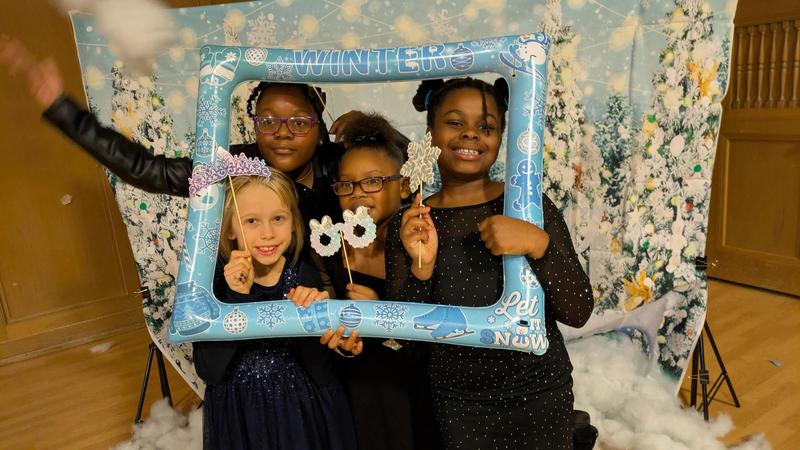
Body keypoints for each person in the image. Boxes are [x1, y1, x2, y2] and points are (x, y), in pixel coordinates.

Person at [386, 77, 594, 450]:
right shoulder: (412, 223)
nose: (471, 135)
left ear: (501, 137)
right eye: (455, 122)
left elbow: (578, 310)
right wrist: (422, 268)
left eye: (486, 126)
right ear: (430, 132)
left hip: (539, 393)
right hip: (458, 403)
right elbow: (403, 338)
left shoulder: (530, 207)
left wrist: (538, 244)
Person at [0, 37, 343, 225]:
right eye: (268, 121)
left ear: (318, 124)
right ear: (255, 125)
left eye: (298, 123)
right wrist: (64, 109)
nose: (282, 133)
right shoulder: (234, 167)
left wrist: (367, 127)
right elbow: (147, 170)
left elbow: (394, 169)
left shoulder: (341, 162)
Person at [194, 171, 358, 449]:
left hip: (301, 410)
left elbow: (322, 371)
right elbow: (209, 370)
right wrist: (236, 298)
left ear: (293, 223)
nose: (267, 233)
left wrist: (311, 319)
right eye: (252, 221)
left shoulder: (304, 278)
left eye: (278, 218)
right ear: (230, 229)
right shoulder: (213, 287)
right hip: (240, 414)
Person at [319, 112, 442, 450]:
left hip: (414, 392)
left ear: (404, 185)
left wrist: (381, 315)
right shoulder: (332, 251)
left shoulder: (419, 247)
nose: (358, 194)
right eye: (346, 184)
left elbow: (435, 337)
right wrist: (340, 341)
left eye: (372, 181)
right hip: (359, 392)